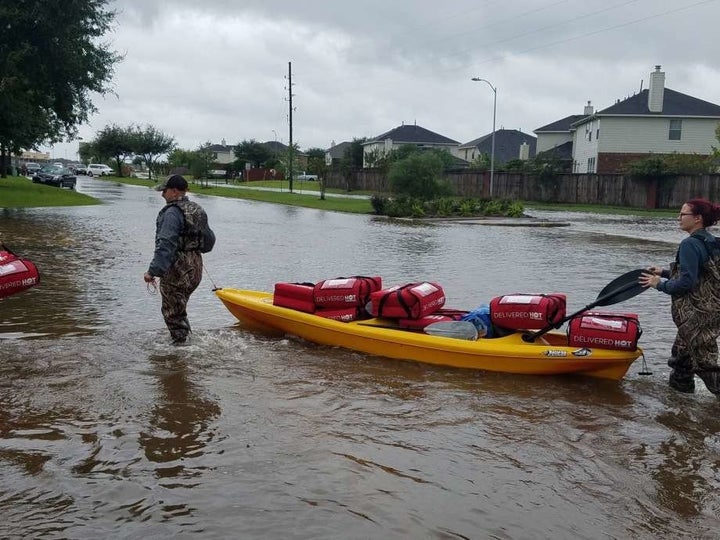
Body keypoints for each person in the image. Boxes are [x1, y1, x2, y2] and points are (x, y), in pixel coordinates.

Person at [639, 198, 720, 395]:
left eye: (683, 214)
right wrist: (664, 272)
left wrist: (659, 284)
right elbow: (703, 275)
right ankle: (678, 405)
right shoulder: (712, 241)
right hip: (712, 310)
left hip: (695, 315)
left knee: (706, 365)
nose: (679, 218)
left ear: (697, 218)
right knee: (682, 359)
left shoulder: (689, 244)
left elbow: (686, 283)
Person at [144, 175, 215, 344]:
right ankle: (185, 342)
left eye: (164, 191)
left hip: (178, 268)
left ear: (174, 191)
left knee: (172, 312)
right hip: (195, 267)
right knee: (179, 309)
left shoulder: (172, 213)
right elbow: (209, 241)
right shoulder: (197, 209)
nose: (162, 195)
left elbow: (165, 244)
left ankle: (180, 354)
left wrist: (153, 271)